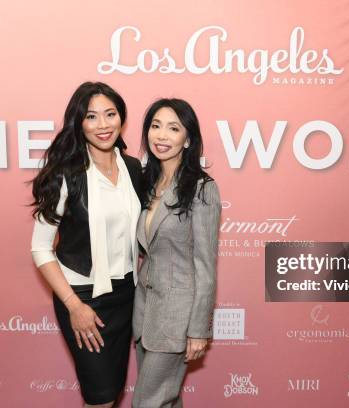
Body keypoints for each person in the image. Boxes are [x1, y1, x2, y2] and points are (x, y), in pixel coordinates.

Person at [30, 82, 142, 407]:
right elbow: (40, 248)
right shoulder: (65, 174)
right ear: (78, 122)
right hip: (81, 298)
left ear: (122, 117)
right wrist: (74, 306)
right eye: (92, 116)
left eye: (110, 114)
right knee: (101, 397)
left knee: (112, 392)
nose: (103, 125)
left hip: (125, 294)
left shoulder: (133, 168)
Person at [132, 98, 221, 407]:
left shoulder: (201, 187)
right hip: (145, 312)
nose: (162, 136)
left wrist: (199, 330)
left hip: (177, 318)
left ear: (188, 139)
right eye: (155, 127)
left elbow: (206, 265)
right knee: (165, 401)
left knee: (147, 402)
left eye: (173, 128)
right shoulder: (147, 182)